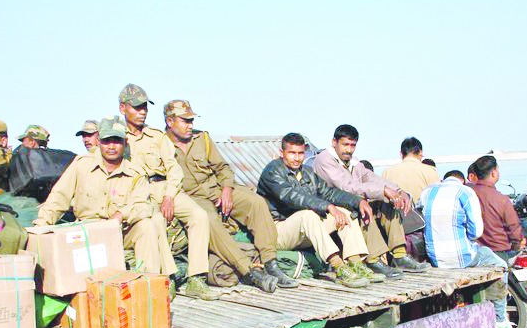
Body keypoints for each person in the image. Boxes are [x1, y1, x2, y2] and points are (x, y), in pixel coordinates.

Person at [164, 99, 297, 293]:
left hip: (217, 188)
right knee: (207, 219)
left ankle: (270, 262)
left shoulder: (202, 139)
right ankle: (249, 271)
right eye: (185, 121)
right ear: (170, 121)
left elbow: (222, 167)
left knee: (256, 202)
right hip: (192, 197)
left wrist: (226, 189)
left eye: (191, 120)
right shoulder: (161, 144)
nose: (190, 125)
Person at [34, 117, 177, 279]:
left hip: (118, 233)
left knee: (147, 225)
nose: (111, 146)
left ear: (125, 142)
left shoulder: (136, 173)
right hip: (86, 232)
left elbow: (143, 206)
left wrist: (121, 214)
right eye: (106, 141)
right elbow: (58, 198)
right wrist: (40, 227)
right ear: (99, 142)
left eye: (116, 141)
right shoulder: (82, 164)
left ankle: (149, 282)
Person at [118, 83, 215, 300]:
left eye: (144, 107)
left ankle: (196, 278)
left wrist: (169, 196)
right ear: (123, 108)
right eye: (136, 107)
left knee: (199, 216)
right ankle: (168, 277)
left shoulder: (156, 136)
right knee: (156, 221)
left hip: (164, 187)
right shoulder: (118, 139)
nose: (142, 112)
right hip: (139, 193)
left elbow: (173, 168)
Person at [257, 132, 385, 289]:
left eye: (300, 153)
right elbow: (292, 197)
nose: (296, 158)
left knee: (344, 213)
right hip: (275, 231)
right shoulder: (272, 171)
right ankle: (339, 267)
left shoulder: (307, 172)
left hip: (304, 229)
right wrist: (328, 206)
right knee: (308, 215)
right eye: (292, 153)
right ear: (282, 152)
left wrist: (358, 201)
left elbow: (329, 193)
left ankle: (356, 264)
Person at [312, 124, 429, 277]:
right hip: (330, 209)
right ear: (334, 142)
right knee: (363, 208)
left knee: (388, 203)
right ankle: (373, 260)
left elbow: (371, 177)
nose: (349, 149)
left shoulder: (353, 162)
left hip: (350, 203)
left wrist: (398, 192)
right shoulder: (324, 160)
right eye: (345, 144)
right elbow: (347, 187)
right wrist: (383, 191)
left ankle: (399, 255)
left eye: (352, 145)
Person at [419, 172, 518, 328]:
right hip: (462, 258)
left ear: (443, 180)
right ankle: (500, 319)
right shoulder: (465, 192)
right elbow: (476, 232)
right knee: (500, 265)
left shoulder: (427, 192)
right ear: (462, 181)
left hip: (435, 258)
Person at [468, 155, 524, 256]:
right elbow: (513, 226)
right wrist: (517, 242)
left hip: (473, 252)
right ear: (493, 173)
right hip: (498, 252)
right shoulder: (501, 199)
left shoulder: (467, 194)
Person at [382, 137, 439, 203]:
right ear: (420, 152)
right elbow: (437, 198)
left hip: (395, 209)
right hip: (421, 209)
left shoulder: (387, 173)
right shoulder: (430, 171)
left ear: (401, 154)